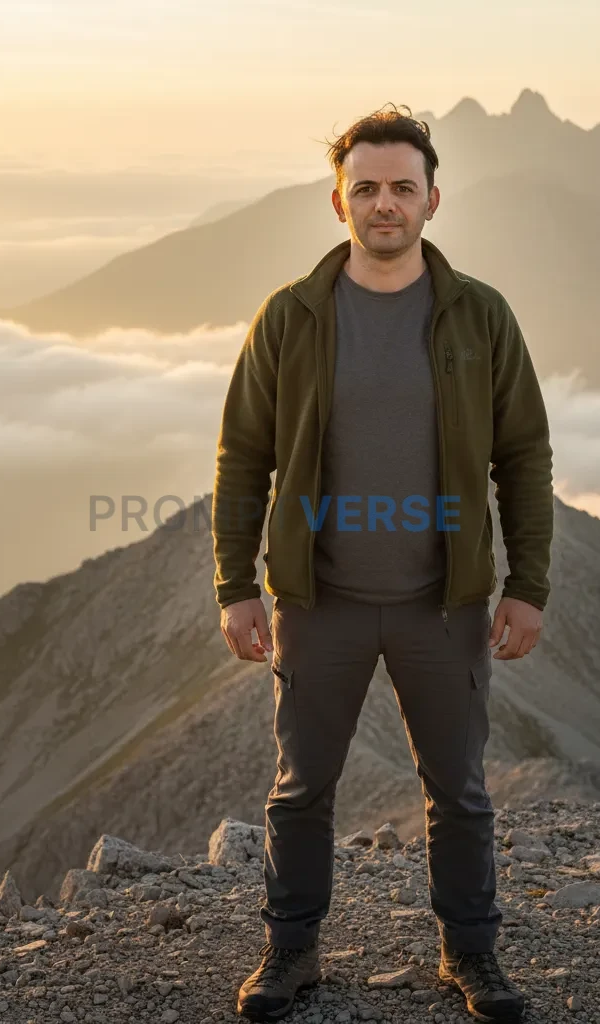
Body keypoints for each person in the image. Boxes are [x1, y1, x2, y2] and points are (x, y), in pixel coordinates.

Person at [211, 102, 553, 1023]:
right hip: (317, 602)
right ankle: (291, 953)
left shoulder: (481, 317)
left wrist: (527, 586)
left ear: (434, 199)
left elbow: (522, 455)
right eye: (366, 187)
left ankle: (470, 956)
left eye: (403, 187)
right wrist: (236, 585)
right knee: (301, 789)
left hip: (442, 604)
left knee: (460, 791)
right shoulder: (290, 317)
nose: (385, 203)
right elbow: (244, 454)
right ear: (338, 202)